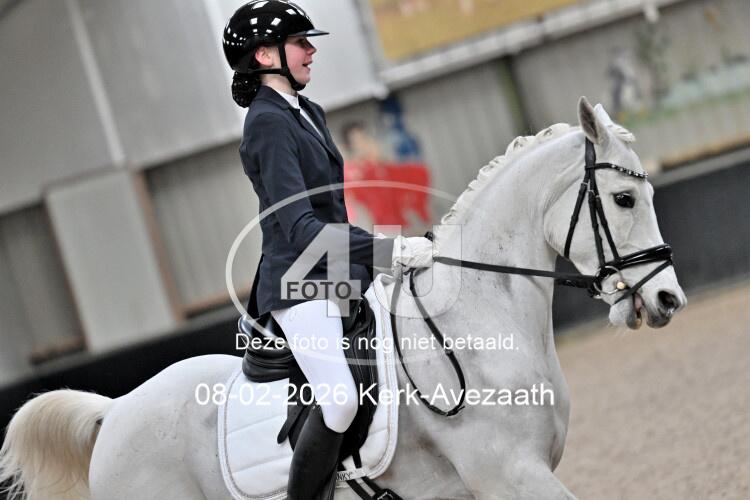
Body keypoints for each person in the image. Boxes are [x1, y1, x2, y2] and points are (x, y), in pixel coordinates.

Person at [222, 2, 435, 499]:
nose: (311, 51)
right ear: (264, 55)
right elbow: (301, 228)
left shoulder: (307, 112)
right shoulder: (266, 122)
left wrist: (382, 256)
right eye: (300, 43)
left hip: (335, 267)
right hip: (298, 281)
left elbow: (333, 214)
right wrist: (387, 251)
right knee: (340, 399)